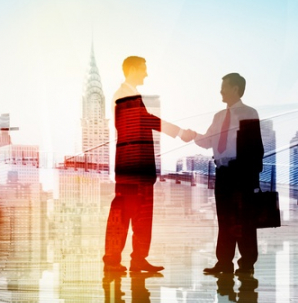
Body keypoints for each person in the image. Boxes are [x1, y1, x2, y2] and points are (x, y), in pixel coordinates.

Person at [103, 56, 196, 273]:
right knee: (124, 215)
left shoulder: (129, 94)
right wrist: (179, 132)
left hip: (137, 169)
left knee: (141, 216)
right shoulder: (125, 95)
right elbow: (145, 120)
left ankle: (137, 260)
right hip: (133, 168)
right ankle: (113, 261)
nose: (146, 73)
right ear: (134, 69)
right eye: (144, 69)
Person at [194, 73, 263, 277]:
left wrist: (253, 178)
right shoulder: (218, 117)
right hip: (222, 173)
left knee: (244, 220)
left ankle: (247, 263)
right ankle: (223, 263)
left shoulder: (249, 112)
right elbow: (207, 141)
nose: (221, 91)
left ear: (235, 89)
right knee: (224, 219)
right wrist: (191, 135)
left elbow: (256, 146)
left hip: (242, 173)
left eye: (224, 87)